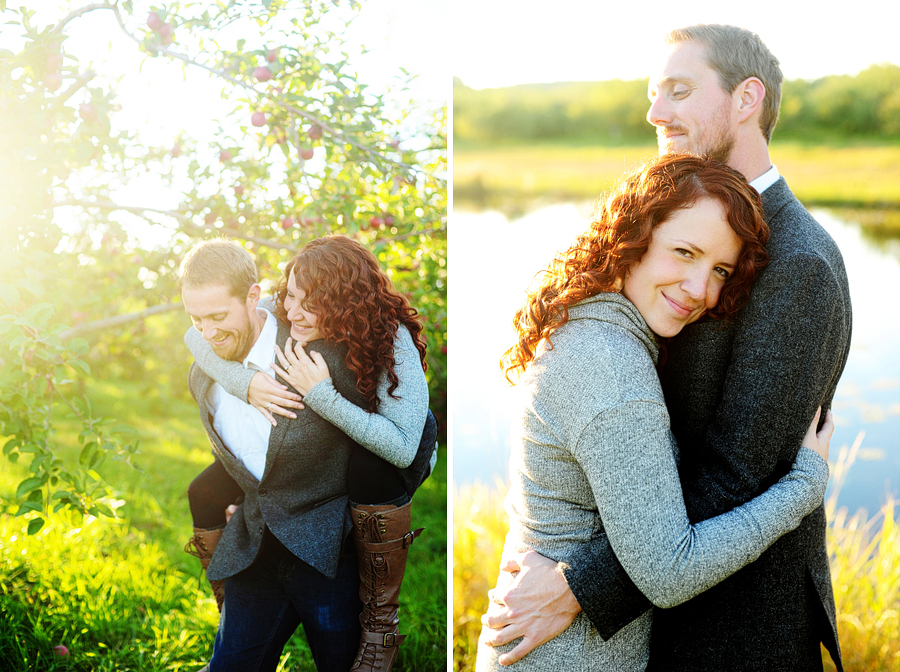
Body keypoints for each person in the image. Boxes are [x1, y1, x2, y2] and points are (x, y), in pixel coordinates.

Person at [481, 24, 851, 672]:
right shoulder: (681, 221)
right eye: (653, 94)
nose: (655, 113)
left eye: (678, 90)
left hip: (733, 633)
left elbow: (737, 476)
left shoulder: (799, 265)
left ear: (746, 99)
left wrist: (576, 585)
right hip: (654, 618)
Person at [179, 236, 431, 672]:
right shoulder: (214, 357)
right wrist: (244, 382)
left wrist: (322, 396)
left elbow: (405, 444)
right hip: (256, 544)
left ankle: (379, 622)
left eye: (218, 316)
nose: (293, 311)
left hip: (330, 545)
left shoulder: (364, 346)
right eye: (290, 297)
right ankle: (231, 605)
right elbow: (195, 337)